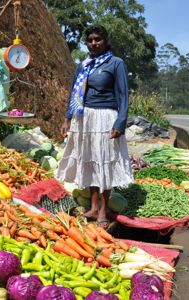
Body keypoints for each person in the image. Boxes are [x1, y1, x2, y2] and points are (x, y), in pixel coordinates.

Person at [57, 24, 133, 227]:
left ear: (106, 41)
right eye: (90, 40)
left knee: (104, 161)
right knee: (89, 159)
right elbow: (74, 93)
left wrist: (120, 122)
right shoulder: (84, 65)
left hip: (105, 117)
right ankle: (92, 207)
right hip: (84, 117)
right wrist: (67, 119)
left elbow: (124, 95)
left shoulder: (116, 63)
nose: (93, 43)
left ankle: (103, 210)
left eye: (97, 40)